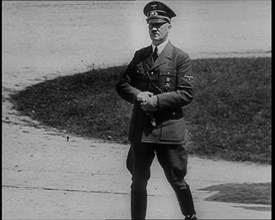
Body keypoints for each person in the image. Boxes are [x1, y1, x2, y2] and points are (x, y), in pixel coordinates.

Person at [116, 1, 197, 219]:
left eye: (160, 24)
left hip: (168, 130)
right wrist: (137, 94)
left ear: (169, 26)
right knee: (138, 180)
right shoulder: (140, 55)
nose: (154, 29)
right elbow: (122, 84)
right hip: (142, 130)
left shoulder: (180, 58)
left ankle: (190, 217)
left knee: (177, 179)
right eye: (151, 24)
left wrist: (157, 101)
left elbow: (186, 93)